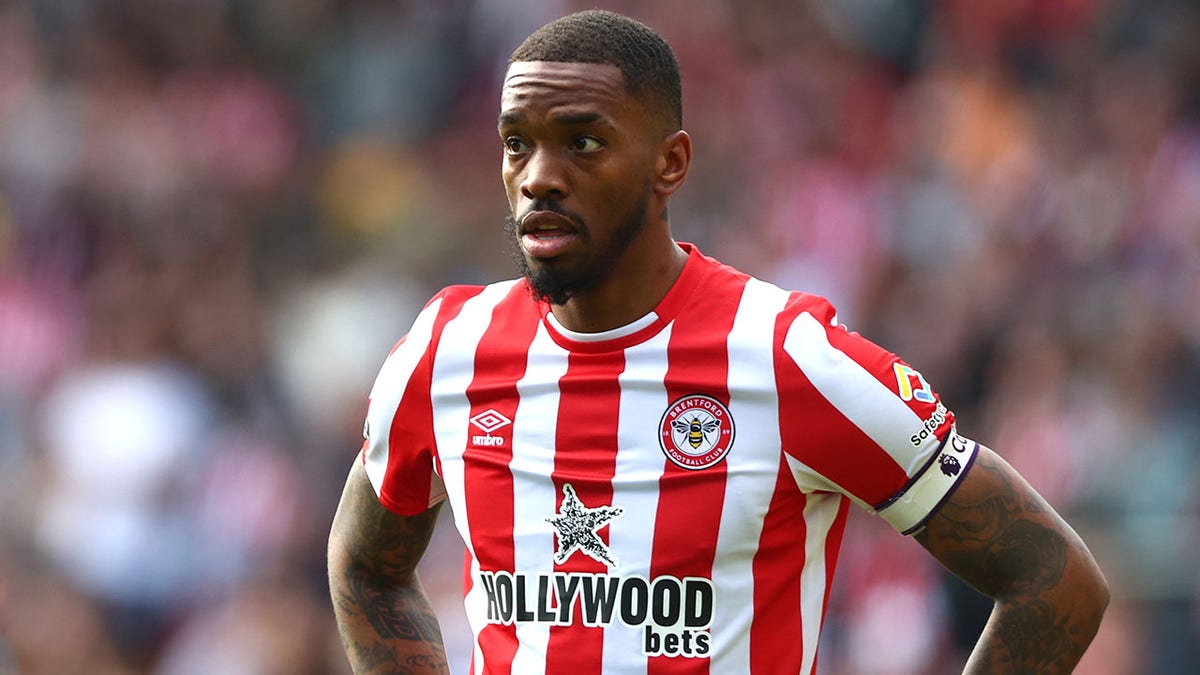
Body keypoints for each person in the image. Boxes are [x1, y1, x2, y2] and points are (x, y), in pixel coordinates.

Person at [328, 9, 1109, 674]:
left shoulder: (785, 357)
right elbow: (366, 567)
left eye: (583, 143)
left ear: (671, 164)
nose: (538, 176)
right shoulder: (447, 349)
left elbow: (1054, 578)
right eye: (515, 143)